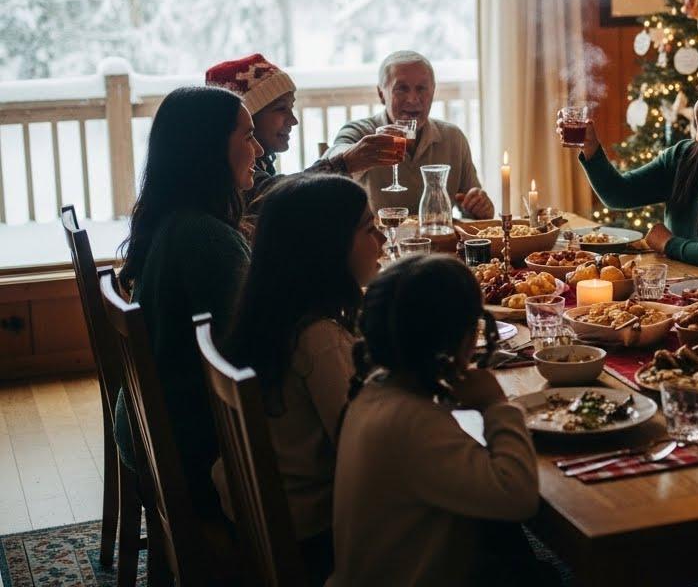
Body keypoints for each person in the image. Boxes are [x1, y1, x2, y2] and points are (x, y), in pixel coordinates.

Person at [330, 255, 542, 586]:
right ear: (464, 338)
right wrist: (496, 405)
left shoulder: (374, 393)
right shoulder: (412, 423)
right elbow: (518, 496)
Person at [215, 174, 383, 585]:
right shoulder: (320, 339)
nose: (381, 238)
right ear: (326, 248)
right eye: (368, 228)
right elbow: (363, 453)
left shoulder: (274, 312)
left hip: (265, 513)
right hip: (316, 532)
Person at [114, 86, 262, 515]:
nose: (256, 149)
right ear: (210, 149)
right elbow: (250, 353)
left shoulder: (174, 217)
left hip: (149, 428)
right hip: (189, 450)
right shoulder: (208, 240)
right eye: (247, 136)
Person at [561, 61, 698, 277]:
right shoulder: (683, 155)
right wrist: (591, 147)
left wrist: (668, 243)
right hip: (680, 286)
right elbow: (618, 194)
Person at [205, 54, 401, 208]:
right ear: (247, 117)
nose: (294, 120)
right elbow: (276, 199)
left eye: (291, 108)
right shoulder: (228, 175)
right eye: (281, 108)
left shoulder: (262, 163)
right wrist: (343, 163)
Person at [326, 51, 494, 218]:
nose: (413, 99)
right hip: (380, 243)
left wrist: (479, 207)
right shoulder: (360, 132)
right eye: (401, 89)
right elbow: (330, 164)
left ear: (433, 92)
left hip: (439, 242)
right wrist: (359, 154)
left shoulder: (453, 138)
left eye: (421, 88)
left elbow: (472, 207)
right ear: (381, 94)